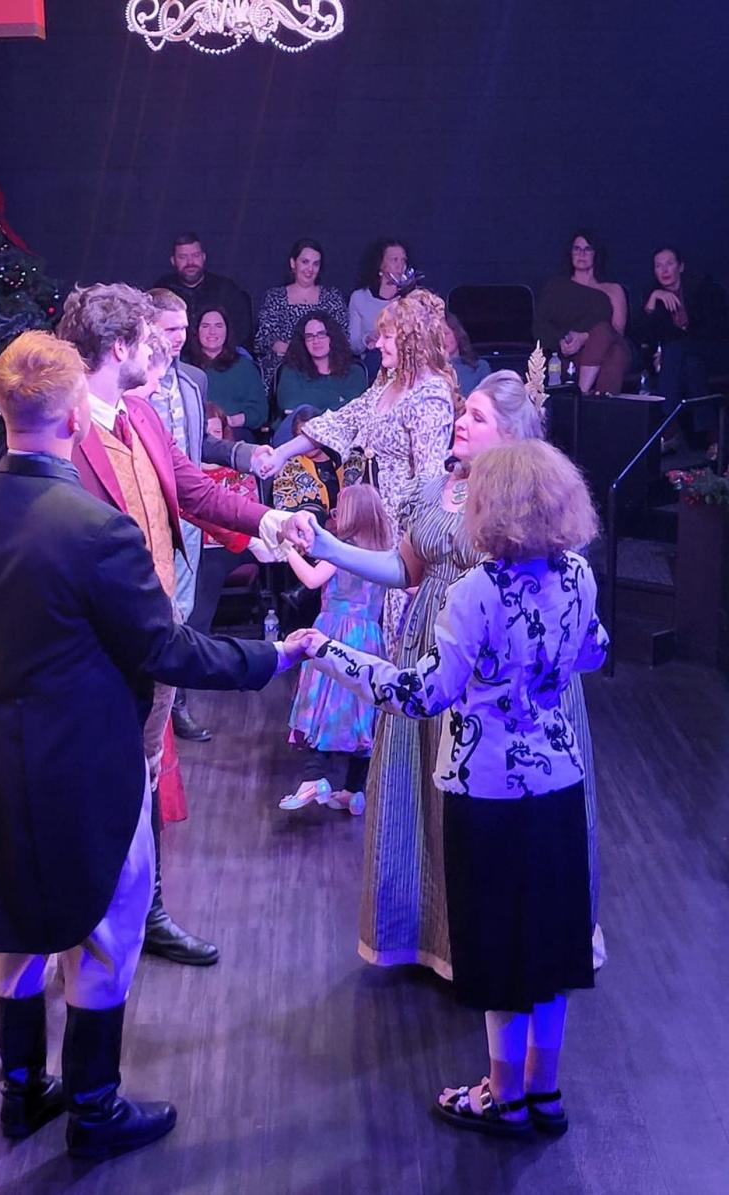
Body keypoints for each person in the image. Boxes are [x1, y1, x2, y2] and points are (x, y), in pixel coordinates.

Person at [0, 330, 306, 1161]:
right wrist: (274, 655)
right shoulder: (96, 529)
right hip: (88, 766)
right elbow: (167, 649)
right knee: (107, 927)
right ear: (74, 415)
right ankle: (95, 1109)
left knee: (15, 924)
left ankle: (23, 1091)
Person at [292, 438, 608, 1137]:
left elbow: (420, 693)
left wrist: (328, 652)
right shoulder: (579, 574)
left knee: (497, 945)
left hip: (485, 792)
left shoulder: (475, 593)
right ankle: (544, 1094)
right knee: (551, 946)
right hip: (558, 783)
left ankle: (501, 1092)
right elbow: (595, 649)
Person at [305, 364, 603, 979]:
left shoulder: (531, 511)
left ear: (512, 435)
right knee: (438, 799)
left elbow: (583, 636)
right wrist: (328, 548)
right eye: (462, 410)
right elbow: (407, 568)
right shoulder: (436, 486)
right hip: (436, 644)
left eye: (476, 417)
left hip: (502, 676)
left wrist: (322, 650)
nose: (459, 422)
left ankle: (506, 953)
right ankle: (438, 939)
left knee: (493, 801)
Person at [56, 283, 310, 968]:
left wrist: (268, 520)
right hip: (95, 659)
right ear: (119, 348)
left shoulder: (139, 415)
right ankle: (79, 924)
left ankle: (147, 910)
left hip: (153, 643)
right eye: (150, 340)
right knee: (97, 793)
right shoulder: (64, 432)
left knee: (143, 781)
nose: (165, 348)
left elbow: (189, 486)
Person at [259, 288, 458, 647]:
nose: (377, 343)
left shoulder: (429, 395)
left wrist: (419, 559)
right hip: (371, 519)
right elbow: (341, 421)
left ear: (411, 339)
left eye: (387, 336)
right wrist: (282, 453)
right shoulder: (387, 384)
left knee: (397, 630)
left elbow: (430, 480)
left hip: (402, 528)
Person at [148, 287, 272, 744]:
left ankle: (175, 703)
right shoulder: (132, 382)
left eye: (183, 328)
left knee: (183, 611)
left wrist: (243, 453)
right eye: (170, 329)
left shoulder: (194, 381)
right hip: (144, 512)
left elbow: (198, 448)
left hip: (188, 512)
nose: (179, 337)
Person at [279, 485, 390, 816]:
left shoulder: (344, 549)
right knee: (361, 712)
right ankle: (354, 790)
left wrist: (287, 550)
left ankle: (314, 778)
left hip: (336, 632)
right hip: (369, 637)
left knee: (323, 706)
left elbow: (313, 580)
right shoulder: (384, 552)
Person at [632, 244, 729, 450]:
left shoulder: (704, 288)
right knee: (691, 366)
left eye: (669, 264)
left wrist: (672, 348)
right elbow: (641, 336)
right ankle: (714, 438)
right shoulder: (655, 295)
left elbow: (715, 330)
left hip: (714, 352)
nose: (664, 270)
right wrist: (651, 302)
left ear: (681, 266)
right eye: (658, 266)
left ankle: (669, 429)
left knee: (676, 351)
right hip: (687, 360)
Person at [188, 404, 263, 638]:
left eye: (217, 433)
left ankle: (196, 634)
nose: (211, 438)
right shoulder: (186, 471)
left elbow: (248, 514)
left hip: (235, 545)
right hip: (194, 541)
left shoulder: (238, 470)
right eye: (206, 434)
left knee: (209, 564)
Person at [534, 228, 631, 393]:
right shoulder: (556, 286)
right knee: (615, 355)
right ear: (570, 253)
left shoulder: (612, 289)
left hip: (606, 343)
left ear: (596, 254)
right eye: (577, 249)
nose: (581, 254)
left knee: (603, 331)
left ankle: (580, 394)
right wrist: (561, 341)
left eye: (587, 249)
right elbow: (540, 324)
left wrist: (586, 338)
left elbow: (617, 332)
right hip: (570, 355)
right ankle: (600, 409)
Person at [255, 238, 349, 388]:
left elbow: (343, 337)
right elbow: (264, 339)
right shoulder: (275, 296)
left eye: (315, 264)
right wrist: (289, 350)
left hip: (325, 366)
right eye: (305, 262)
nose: (310, 269)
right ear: (293, 263)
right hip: (285, 366)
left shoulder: (332, 297)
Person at [153, 231, 253, 349]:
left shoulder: (225, 289)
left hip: (221, 356)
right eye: (183, 257)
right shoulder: (163, 290)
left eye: (195, 255)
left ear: (204, 257)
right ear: (173, 261)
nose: (190, 262)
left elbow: (242, 330)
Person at [183, 306, 268, 435]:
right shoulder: (184, 367)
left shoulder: (245, 367)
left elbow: (260, 411)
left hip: (235, 431)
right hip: (193, 431)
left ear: (227, 331)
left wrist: (229, 421)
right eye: (205, 326)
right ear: (196, 331)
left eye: (218, 326)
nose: (212, 332)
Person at [275, 311, 366, 425]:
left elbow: (354, 409)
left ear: (332, 337)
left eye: (321, 334)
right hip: (297, 430)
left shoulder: (354, 371)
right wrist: (337, 398)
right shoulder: (291, 370)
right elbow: (290, 404)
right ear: (303, 342)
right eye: (309, 337)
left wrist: (310, 404)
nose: (316, 341)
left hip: (340, 430)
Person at [348, 238, 412, 355]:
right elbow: (353, 344)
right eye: (394, 260)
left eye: (403, 260)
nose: (400, 266)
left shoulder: (410, 298)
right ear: (381, 264)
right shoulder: (359, 298)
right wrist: (367, 339)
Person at [444, 313, 491, 397]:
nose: (442, 339)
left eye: (446, 334)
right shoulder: (429, 371)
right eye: (437, 335)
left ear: (457, 334)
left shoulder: (480, 368)